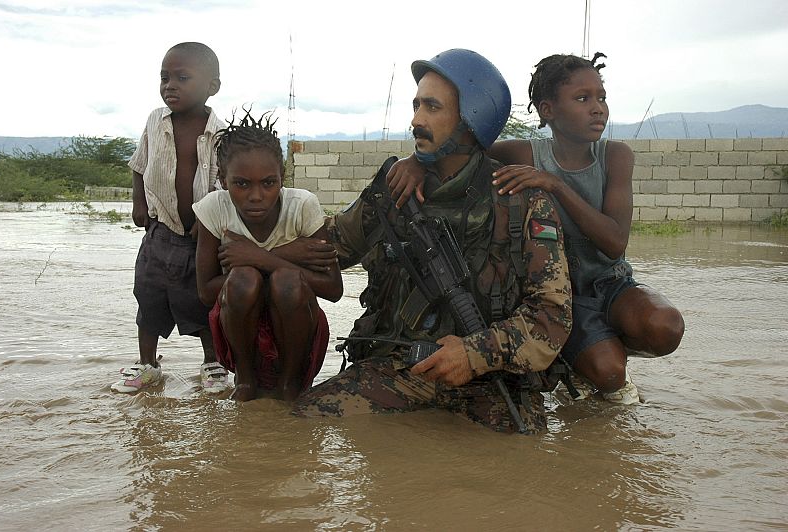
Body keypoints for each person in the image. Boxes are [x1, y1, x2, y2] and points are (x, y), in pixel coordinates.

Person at [290, 49, 572, 434]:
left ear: (471, 120)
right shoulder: (395, 188)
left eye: (432, 107)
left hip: (493, 382)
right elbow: (329, 247)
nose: (416, 120)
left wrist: (473, 354)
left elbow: (552, 316)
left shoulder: (520, 202)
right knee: (299, 426)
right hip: (397, 371)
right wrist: (255, 242)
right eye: (416, 105)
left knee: (519, 458)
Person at [386, 52, 685, 404]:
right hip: (564, 294)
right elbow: (460, 147)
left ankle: (596, 348)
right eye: (583, 99)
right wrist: (416, 161)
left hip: (610, 282)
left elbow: (614, 242)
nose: (598, 109)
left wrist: (555, 185)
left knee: (665, 327)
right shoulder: (524, 154)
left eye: (602, 98)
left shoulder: (616, 155)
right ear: (548, 110)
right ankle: (586, 359)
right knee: (609, 374)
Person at [192, 110, 343, 401]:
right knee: (243, 279)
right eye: (242, 184)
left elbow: (334, 289)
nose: (256, 196)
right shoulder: (214, 208)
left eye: (268, 183)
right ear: (222, 179)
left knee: (287, 281)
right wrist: (285, 256)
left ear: (282, 178)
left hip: (295, 331)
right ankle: (245, 381)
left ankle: (290, 384)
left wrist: (261, 257)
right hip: (239, 329)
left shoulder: (302, 206)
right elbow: (205, 292)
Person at [111, 42, 228, 394]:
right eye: (164, 78)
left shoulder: (220, 134)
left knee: (203, 300)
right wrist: (139, 204)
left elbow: (224, 186)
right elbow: (139, 164)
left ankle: (213, 363)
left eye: (182, 78)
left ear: (212, 87)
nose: (170, 86)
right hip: (159, 232)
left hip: (201, 239)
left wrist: (207, 221)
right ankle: (148, 365)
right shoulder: (155, 121)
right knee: (149, 298)